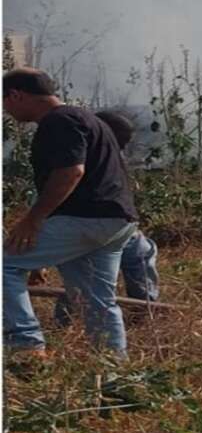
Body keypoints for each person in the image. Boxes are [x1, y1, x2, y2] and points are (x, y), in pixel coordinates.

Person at [3, 68, 138, 357]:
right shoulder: (86, 118)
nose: (6, 110)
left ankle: (25, 345)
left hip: (84, 219)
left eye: (5, 102)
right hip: (115, 222)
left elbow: (70, 172)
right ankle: (112, 370)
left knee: (5, 265)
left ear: (17, 95)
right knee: (96, 300)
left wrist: (33, 220)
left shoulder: (58, 121)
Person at [47, 110, 159, 326]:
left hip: (118, 228)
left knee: (141, 253)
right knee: (83, 279)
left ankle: (144, 314)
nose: (122, 147)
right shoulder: (71, 159)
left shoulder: (111, 157)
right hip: (82, 229)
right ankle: (65, 324)